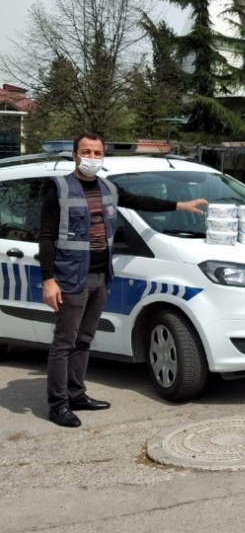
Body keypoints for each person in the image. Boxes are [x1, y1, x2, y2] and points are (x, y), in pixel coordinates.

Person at [39, 133, 208, 428]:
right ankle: (58, 404)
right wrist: (48, 280)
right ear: (75, 154)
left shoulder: (108, 187)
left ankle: (76, 394)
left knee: (85, 339)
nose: (91, 157)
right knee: (64, 342)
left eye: (96, 152)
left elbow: (140, 201)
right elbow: (46, 236)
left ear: (103, 156)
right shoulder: (60, 189)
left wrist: (180, 206)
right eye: (86, 151)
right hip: (70, 277)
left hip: (102, 275)